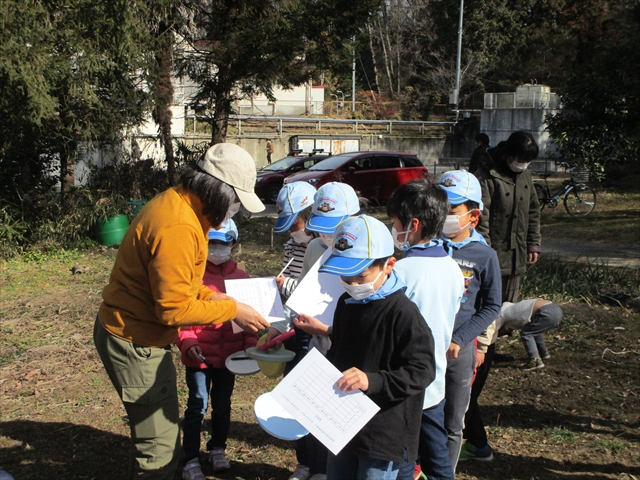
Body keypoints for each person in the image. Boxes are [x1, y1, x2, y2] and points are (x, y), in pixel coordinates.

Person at [93, 143, 271, 480]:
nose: (235, 210)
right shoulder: (179, 226)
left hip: (135, 332)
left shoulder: (183, 204)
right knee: (159, 453)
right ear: (219, 192)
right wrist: (232, 309)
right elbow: (173, 310)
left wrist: (217, 298)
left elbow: (183, 283)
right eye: (236, 202)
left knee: (155, 433)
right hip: (134, 339)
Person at [294, 215, 436, 480]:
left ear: (389, 265)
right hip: (342, 425)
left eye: (360, 275)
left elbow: (423, 370)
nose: (353, 284)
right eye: (345, 277)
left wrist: (371, 381)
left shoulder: (403, 313)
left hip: (382, 435)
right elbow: (341, 352)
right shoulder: (346, 304)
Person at [386, 180, 465, 480]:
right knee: (437, 455)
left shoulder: (401, 273)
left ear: (413, 225)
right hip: (435, 383)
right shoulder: (453, 269)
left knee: (403, 459)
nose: (393, 230)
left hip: (403, 385)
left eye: (395, 223)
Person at [176, 220, 258, 480]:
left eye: (223, 243)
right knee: (197, 405)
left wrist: (250, 346)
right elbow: (181, 315)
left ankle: (218, 448)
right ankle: (190, 457)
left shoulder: (242, 279)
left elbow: (250, 321)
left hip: (231, 358)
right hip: (199, 357)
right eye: (212, 243)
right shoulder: (193, 277)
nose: (217, 249)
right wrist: (187, 341)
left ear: (233, 245)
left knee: (222, 405)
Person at [437, 170, 502, 470]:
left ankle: (444, 474)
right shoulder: (429, 247)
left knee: (453, 422)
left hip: (458, 354)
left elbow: (491, 307)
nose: (444, 216)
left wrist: (460, 340)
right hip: (425, 348)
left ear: (473, 216)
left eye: (451, 211)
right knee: (424, 417)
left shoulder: (485, 256)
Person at [460, 299, 563, 461]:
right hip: (553, 309)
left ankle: (477, 444)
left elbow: (490, 326)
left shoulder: (501, 312)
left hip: (475, 347)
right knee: (467, 398)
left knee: (466, 398)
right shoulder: (508, 312)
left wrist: (482, 349)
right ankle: (475, 442)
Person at [475, 131, 542, 305]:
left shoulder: (525, 175)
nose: (523, 164)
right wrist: (485, 251)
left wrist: (533, 243)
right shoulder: (487, 175)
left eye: (528, 161)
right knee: (488, 301)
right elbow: (481, 216)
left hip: (516, 249)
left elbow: (533, 210)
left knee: (510, 303)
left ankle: (506, 330)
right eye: (521, 159)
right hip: (494, 247)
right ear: (509, 154)